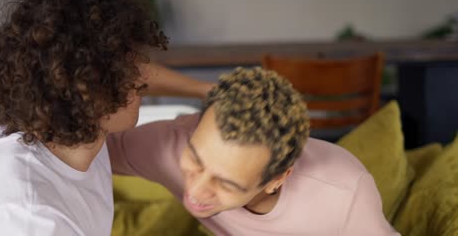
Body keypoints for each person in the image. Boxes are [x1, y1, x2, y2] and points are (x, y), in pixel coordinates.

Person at [0, 0, 212, 235]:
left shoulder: (72, 134)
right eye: (123, 70)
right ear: (82, 89)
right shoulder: (30, 217)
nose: (140, 78)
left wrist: (208, 89)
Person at [107, 67, 400, 236]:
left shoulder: (344, 194)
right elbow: (83, 148)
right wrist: (204, 89)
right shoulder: (171, 143)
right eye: (196, 161)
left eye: (227, 183)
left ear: (277, 179)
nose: (196, 190)